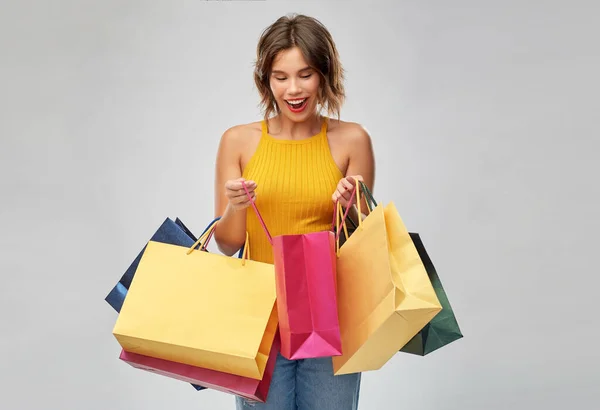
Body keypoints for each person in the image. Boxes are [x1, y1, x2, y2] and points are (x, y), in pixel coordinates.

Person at [212, 13, 375, 410]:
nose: (294, 89)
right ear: (265, 80)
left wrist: (354, 209)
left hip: (330, 317)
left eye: (305, 74)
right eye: (280, 76)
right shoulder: (238, 142)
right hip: (259, 319)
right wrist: (236, 208)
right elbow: (228, 245)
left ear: (324, 74)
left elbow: (364, 248)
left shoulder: (352, 140)